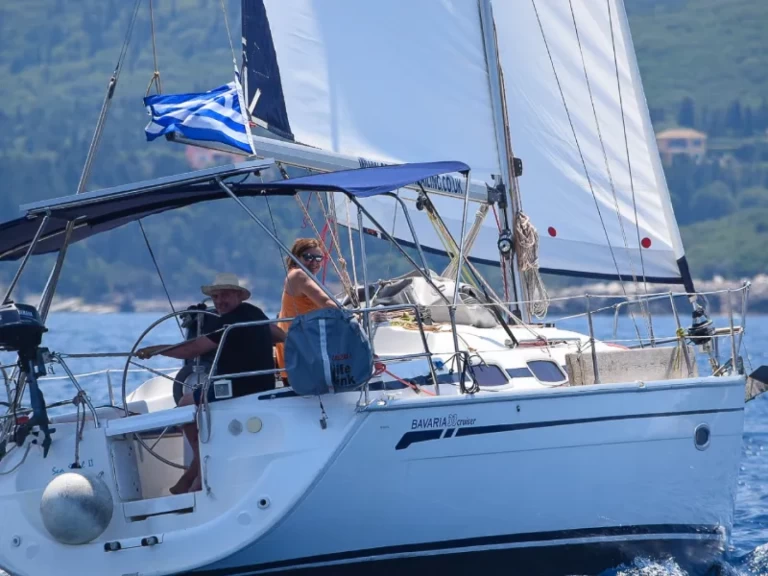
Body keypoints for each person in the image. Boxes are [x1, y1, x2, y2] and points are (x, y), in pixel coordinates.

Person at [136, 272, 285, 494]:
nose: (219, 301)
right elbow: (279, 335)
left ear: (238, 296)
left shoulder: (229, 321)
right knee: (198, 398)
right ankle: (194, 475)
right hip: (262, 384)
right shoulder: (254, 313)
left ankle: (198, 467)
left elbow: (192, 349)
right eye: (215, 297)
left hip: (238, 388)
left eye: (224, 296)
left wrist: (155, 350)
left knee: (186, 404)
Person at [274, 238, 337, 383]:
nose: (314, 262)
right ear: (296, 257)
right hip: (301, 355)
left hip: (301, 352)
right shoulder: (298, 275)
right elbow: (327, 303)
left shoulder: (300, 276)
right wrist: (355, 316)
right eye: (308, 257)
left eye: (318, 258)